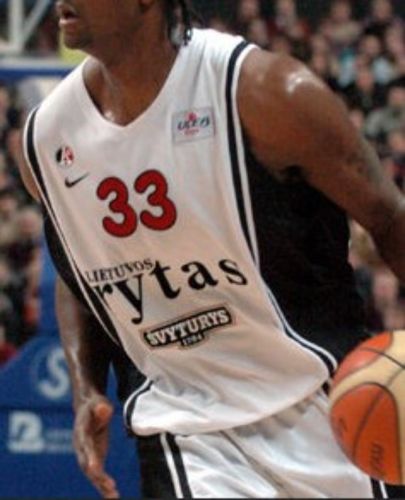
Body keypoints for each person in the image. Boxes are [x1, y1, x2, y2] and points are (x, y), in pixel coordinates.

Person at [18, 0, 405, 498]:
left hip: (328, 407)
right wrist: (85, 387)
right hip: (187, 432)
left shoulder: (265, 93)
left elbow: (388, 216)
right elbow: (79, 268)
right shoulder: (47, 138)